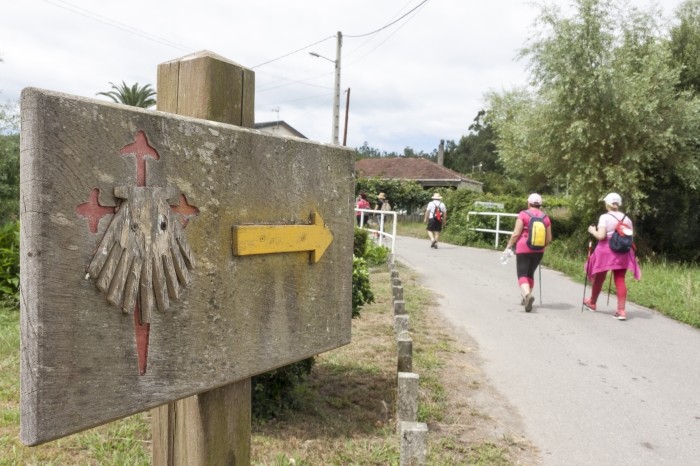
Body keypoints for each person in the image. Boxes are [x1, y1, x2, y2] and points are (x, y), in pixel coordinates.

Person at [583, 192, 641, 321]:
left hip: (605, 251)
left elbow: (601, 236)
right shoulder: (627, 219)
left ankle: (592, 303)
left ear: (607, 204)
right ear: (618, 204)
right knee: (620, 279)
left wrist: (592, 231)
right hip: (623, 252)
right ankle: (621, 311)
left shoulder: (604, 217)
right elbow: (630, 237)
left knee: (599, 277)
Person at [503, 193, 553, 312]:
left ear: (528, 203)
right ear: (540, 204)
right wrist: (543, 247)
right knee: (530, 274)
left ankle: (527, 295)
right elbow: (549, 238)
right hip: (539, 249)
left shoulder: (523, 215)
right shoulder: (545, 218)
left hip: (523, 248)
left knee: (522, 274)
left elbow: (516, 234)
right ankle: (527, 296)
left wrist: (508, 246)